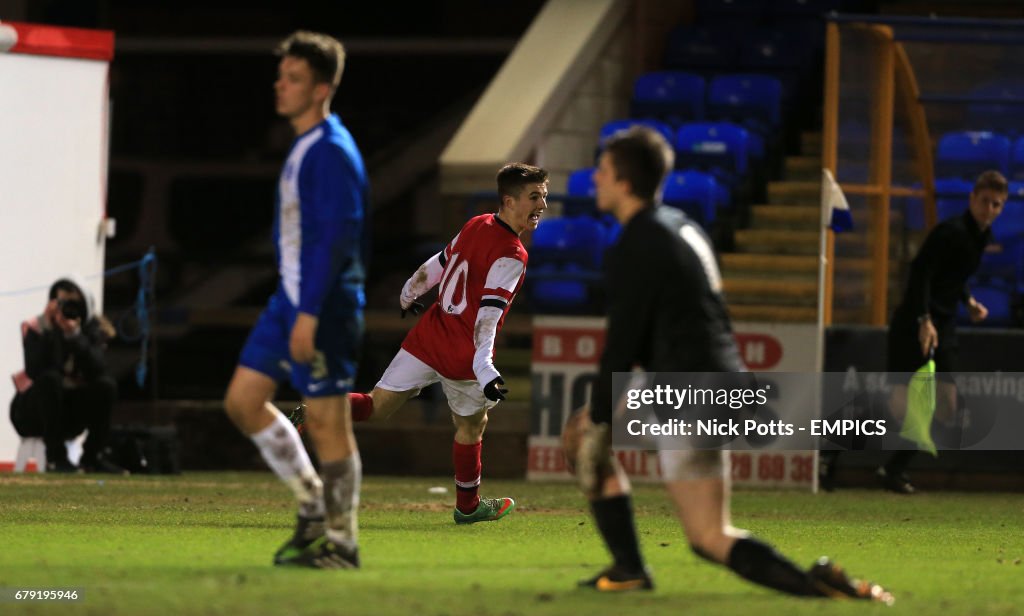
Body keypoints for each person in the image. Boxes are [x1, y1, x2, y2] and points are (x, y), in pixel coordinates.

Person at [562, 126, 892, 603]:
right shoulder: (682, 225)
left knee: (699, 529)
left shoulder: (637, 242)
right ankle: (811, 583)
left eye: (604, 170)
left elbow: (622, 342)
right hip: (717, 382)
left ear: (625, 182)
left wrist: (600, 410)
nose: (595, 178)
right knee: (705, 531)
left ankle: (637, 568)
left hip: (686, 390)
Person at [223, 30, 369, 569]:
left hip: (322, 306)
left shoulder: (331, 150)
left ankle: (344, 544)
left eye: (294, 79)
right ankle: (311, 502)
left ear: (322, 88)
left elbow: (337, 235)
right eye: (281, 76)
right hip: (289, 301)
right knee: (242, 401)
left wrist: (309, 312)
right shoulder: (306, 144)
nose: (280, 86)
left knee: (331, 424)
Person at [338, 163, 548, 524]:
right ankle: (468, 507)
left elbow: (440, 262)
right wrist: (485, 369)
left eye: (543, 196)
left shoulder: (476, 223)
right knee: (470, 427)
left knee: (376, 406)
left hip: (428, 335)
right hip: (462, 356)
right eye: (534, 197)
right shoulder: (513, 254)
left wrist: (410, 291)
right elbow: (487, 318)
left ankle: (320, 406)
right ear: (509, 201)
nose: (542, 205)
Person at [872, 169, 1005, 494]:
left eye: (997, 205)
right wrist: (923, 318)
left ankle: (893, 468)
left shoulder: (982, 237)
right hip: (914, 324)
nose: (989, 209)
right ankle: (837, 447)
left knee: (945, 405)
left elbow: (952, 277)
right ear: (972, 199)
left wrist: (968, 300)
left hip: (943, 325)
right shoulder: (951, 232)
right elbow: (921, 272)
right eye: (985, 201)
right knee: (899, 408)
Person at [10, 277, 120, 473]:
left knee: (106, 385)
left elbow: (99, 369)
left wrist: (75, 336)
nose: (66, 309)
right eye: (62, 303)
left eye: (73, 304)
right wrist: (48, 327)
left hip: (70, 413)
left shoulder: (91, 330)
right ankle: (56, 458)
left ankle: (92, 457)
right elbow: (34, 369)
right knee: (49, 379)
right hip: (32, 413)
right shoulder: (37, 326)